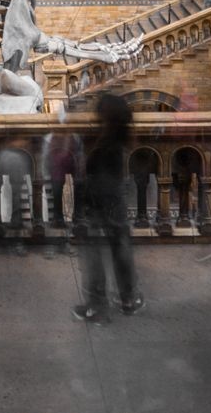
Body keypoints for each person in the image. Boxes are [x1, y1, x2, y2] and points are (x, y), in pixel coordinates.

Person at [74, 92, 143, 323]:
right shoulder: (120, 137)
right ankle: (128, 299)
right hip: (116, 198)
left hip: (98, 199)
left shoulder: (104, 141)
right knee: (120, 247)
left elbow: (91, 172)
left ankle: (97, 306)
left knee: (94, 252)